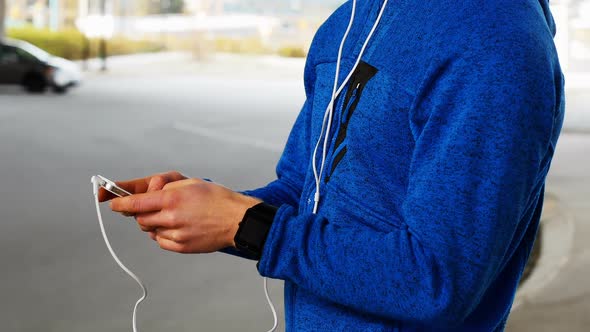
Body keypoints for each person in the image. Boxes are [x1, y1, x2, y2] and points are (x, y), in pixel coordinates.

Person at [99, 0, 565, 330]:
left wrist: (248, 225)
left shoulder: (495, 43)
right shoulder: (348, 22)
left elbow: (437, 280)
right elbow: (305, 190)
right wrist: (210, 209)